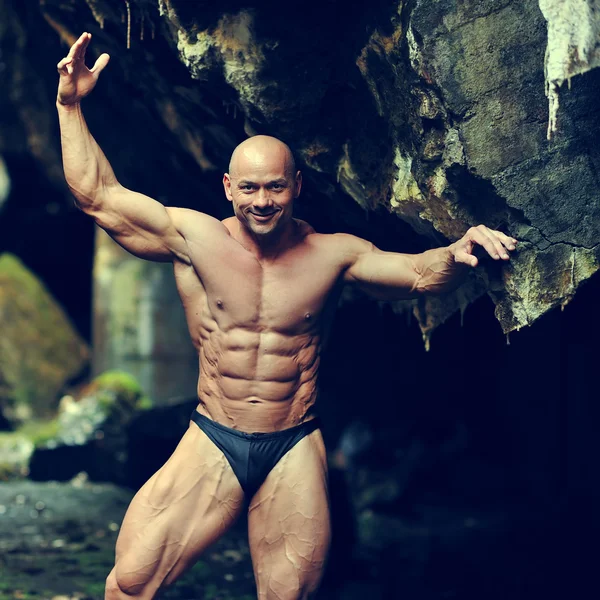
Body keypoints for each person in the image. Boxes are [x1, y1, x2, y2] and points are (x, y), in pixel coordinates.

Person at [56, 32, 518, 600]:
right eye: (248, 188)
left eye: (275, 187)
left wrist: (459, 250)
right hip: (215, 435)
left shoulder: (333, 254)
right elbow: (98, 195)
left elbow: (419, 274)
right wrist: (70, 105)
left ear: (296, 186)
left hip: (292, 443)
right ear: (228, 188)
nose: (262, 201)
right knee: (129, 583)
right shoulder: (194, 238)